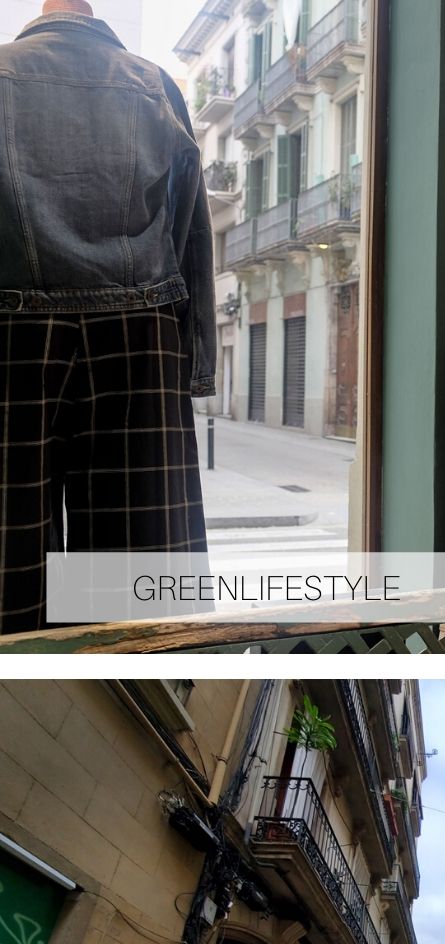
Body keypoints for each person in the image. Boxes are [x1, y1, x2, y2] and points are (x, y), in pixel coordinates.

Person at [0, 1, 215, 634]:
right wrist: (194, 362)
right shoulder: (152, 86)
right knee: (137, 591)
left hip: (10, 337)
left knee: (8, 581)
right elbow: (189, 234)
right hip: (139, 338)